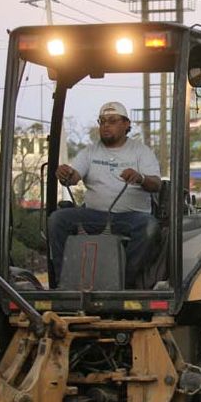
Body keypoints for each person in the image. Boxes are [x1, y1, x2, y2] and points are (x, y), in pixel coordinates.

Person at [48, 101, 161, 288]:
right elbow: (74, 177)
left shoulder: (141, 151)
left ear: (126, 124)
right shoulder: (89, 152)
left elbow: (156, 184)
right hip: (94, 215)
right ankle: (64, 284)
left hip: (131, 217)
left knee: (150, 227)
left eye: (112, 120)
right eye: (102, 121)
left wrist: (140, 178)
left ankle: (124, 282)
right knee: (57, 220)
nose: (106, 125)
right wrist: (65, 174)